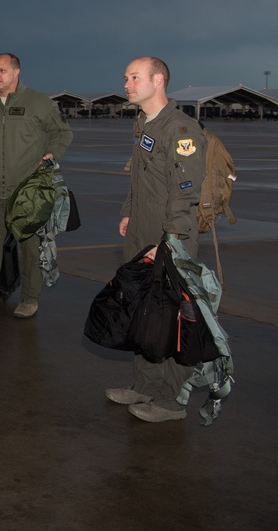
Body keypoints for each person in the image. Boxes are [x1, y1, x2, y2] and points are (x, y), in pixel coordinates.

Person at [106, 56, 205, 423]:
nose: (127, 83)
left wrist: (172, 238)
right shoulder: (144, 123)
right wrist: (129, 211)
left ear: (158, 80)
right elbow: (140, 177)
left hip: (169, 236)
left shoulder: (180, 130)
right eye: (126, 76)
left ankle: (172, 401)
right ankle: (146, 384)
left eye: (134, 77)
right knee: (142, 310)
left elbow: (185, 189)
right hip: (141, 231)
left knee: (172, 316)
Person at [0, 53, 73, 322]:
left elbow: (63, 133)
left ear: (16, 72)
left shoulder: (39, 103)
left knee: (30, 248)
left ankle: (29, 299)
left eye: (2, 70)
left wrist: (50, 154)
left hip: (27, 193)